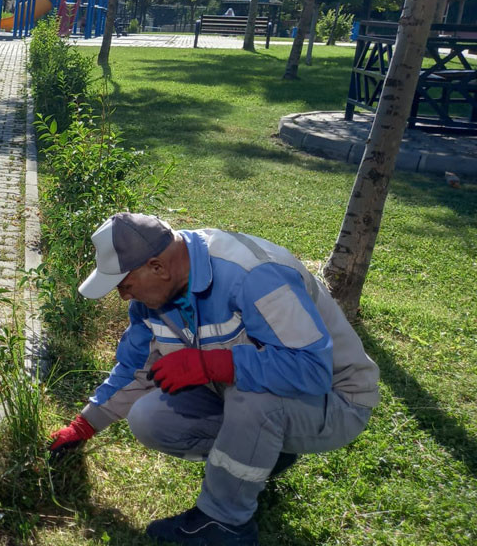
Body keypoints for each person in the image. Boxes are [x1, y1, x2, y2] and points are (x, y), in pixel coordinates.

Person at [49, 213, 379, 545]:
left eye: (125, 285)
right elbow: (135, 370)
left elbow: (312, 369)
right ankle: (267, 456)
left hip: (336, 400)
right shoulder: (155, 298)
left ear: (157, 267)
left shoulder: (254, 275)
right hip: (245, 393)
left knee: (253, 396)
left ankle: (225, 523)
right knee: (149, 418)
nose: (123, 296)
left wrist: (214, 364)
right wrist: (83, 426)